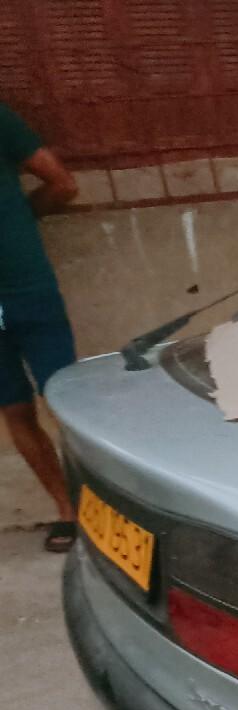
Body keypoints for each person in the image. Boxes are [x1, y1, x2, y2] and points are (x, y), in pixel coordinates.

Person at [1, 101, 79, 552]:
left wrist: (21, 225)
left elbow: (62, 184)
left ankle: (107, 503)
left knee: (66, 400)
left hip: (27, 288)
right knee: (14, 409)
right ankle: (66, 510)